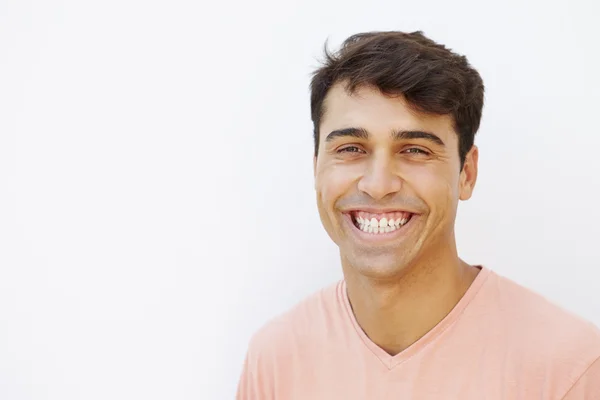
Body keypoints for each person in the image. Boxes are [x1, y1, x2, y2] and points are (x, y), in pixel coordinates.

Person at [236, 31, 600, 399]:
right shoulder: (276, 360)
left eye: (414, 150)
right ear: (317, 168)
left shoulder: (570, 368)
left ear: (467, 173)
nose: (378, 185)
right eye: (350, 148)